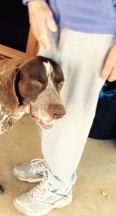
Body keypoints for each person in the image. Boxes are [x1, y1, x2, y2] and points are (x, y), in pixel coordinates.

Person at [12, 0, 116, 215]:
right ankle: (54, 165)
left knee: (72, 111)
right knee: (44, 102)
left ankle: (60, 185)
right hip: (51, 16)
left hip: (96, 28)